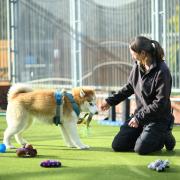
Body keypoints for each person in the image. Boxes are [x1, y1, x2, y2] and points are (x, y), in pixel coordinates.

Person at [100, 36, 176, 155]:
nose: (132, 56)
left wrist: (139, 117)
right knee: (118, 145)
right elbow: (129, 87)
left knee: (141, 149)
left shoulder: (162, 71)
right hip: (140, 117)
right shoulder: (137, 66)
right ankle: (146, 135)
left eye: (133, 53)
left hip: (158, 119)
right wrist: (110, 101)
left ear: (143, 53)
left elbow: (160, 103)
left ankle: (165, 134)